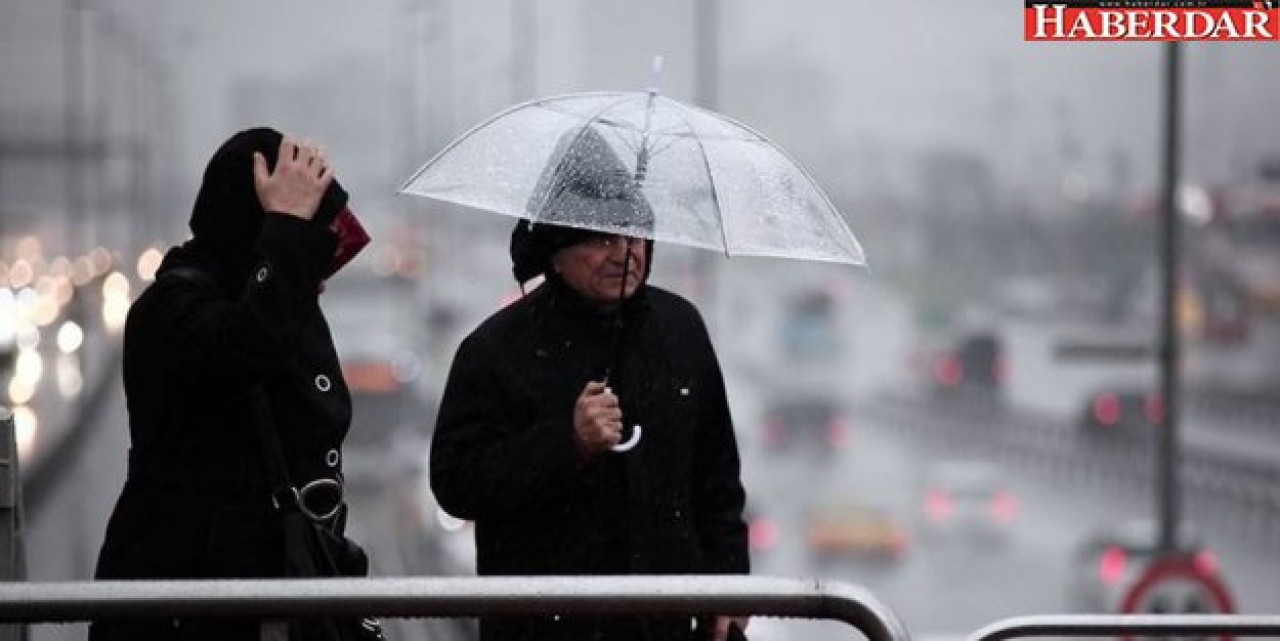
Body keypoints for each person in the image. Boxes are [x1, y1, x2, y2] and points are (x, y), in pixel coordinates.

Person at [429, 130, 750, 641]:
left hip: (669, 627)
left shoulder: (680, 329)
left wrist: (731, 584)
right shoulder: (496, 350)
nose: (624, 253)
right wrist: (567, 443)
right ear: (554, 252)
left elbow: (716, 480)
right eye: (601, 238)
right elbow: (456, 483)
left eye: (633, 234)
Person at [91, 127, 369, 641]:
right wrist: (287, 232)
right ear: (254, 228)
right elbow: (246, 350)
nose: (321, 265)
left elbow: (319, 414)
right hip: (186, 603)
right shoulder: (173, 308)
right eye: (310, 239)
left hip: (273, 592)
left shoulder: (277, 299)